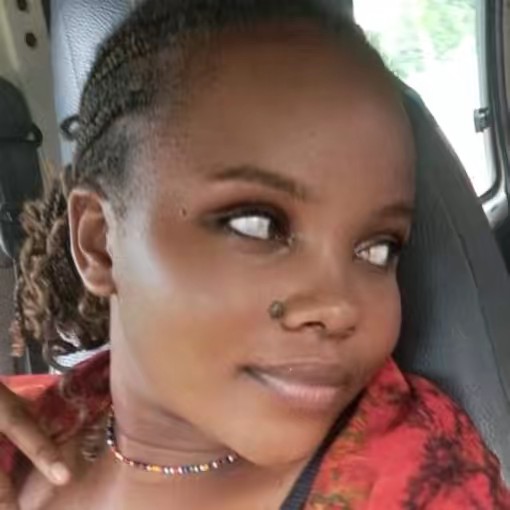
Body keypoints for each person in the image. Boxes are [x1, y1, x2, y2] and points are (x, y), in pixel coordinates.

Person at [0, 0, 509, 508]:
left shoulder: (427, 485)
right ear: (99, 244)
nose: (338, 308)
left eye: (377, 250)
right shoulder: (29, 430)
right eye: (258, 225)